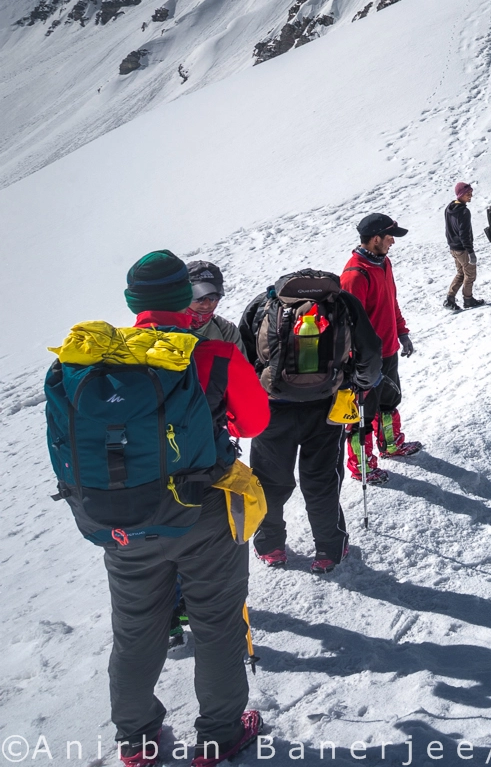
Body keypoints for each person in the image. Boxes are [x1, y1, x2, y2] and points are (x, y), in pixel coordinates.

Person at [52, 251, 270, 767]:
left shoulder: (89, 362)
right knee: (217, 624)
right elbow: (255, 422)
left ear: (133, 303)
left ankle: (137, 739)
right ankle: (219, 734)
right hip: (203, 515)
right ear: (182, 298)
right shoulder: (212, 355)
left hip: (120, 522)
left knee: (134, 630)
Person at [240, 268, 382, 571]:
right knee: (321, 480)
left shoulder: (264, 304)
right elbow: (370, 350)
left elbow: (243, 353)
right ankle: (329, 549)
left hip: (272, 408)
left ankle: (271, 546)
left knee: (267, 480)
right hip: (325, 407)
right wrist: (360, 385)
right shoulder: (342, 302)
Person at [341, 213, 420, 482]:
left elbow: (391, 302)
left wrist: (402, 332)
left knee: (389, 401)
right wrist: (359, 361)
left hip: (388, 351)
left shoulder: (383, 264)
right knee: (362, 415)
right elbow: (348, 326)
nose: (392, 243)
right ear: (375, 239)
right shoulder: (355, 275)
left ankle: (390, 444)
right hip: (365, 360)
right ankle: (362, 466)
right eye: (389, 238)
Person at [443, 182, 483, 311]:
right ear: (460, 194)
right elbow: (464, 233)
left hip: (453, 247)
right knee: (470, 274)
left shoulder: (449, 208)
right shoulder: (464, 212)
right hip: (462, 248)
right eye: (467, 194)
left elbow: (448, 229)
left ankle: (450, 299)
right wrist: (470, 252)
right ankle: (468, 299)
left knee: (461, 273)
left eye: (471, 193)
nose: (470, 196)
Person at [184, 261, 242, 350]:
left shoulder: (226, 330)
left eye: (213, 297)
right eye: (198, 296)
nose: (206, 305)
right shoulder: (162, 329)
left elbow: (240, 363)